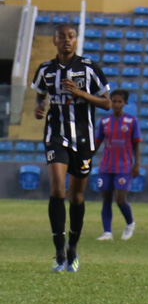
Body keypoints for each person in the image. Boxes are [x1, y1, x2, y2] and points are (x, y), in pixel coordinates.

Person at [31, 23, 111, 272]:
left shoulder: (88, 69)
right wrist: (40, 106)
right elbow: (40, 94)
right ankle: (58, 251)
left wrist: (81, 94)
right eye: (62, 37)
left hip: (83, 140)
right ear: (54, 41)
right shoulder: (45, 70)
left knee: (77, 196)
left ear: (76, 41)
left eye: (71, 36)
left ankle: (73, 248)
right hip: (56, 135)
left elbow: (107, 103)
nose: (67, 40)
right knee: (57, 190)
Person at [96, 89, 142, 241]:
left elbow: (136, 145)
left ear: (125, 103)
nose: (116, 105)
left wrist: (136, 164)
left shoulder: (131, 121)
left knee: (120, 199)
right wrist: (86, 158)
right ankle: (107, 232)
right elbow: (97, 143)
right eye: (113, 101)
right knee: (106, 198)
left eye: (119, 102)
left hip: (124, 166)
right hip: (106, 166)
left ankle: (130, 223)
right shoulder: (104, 122)